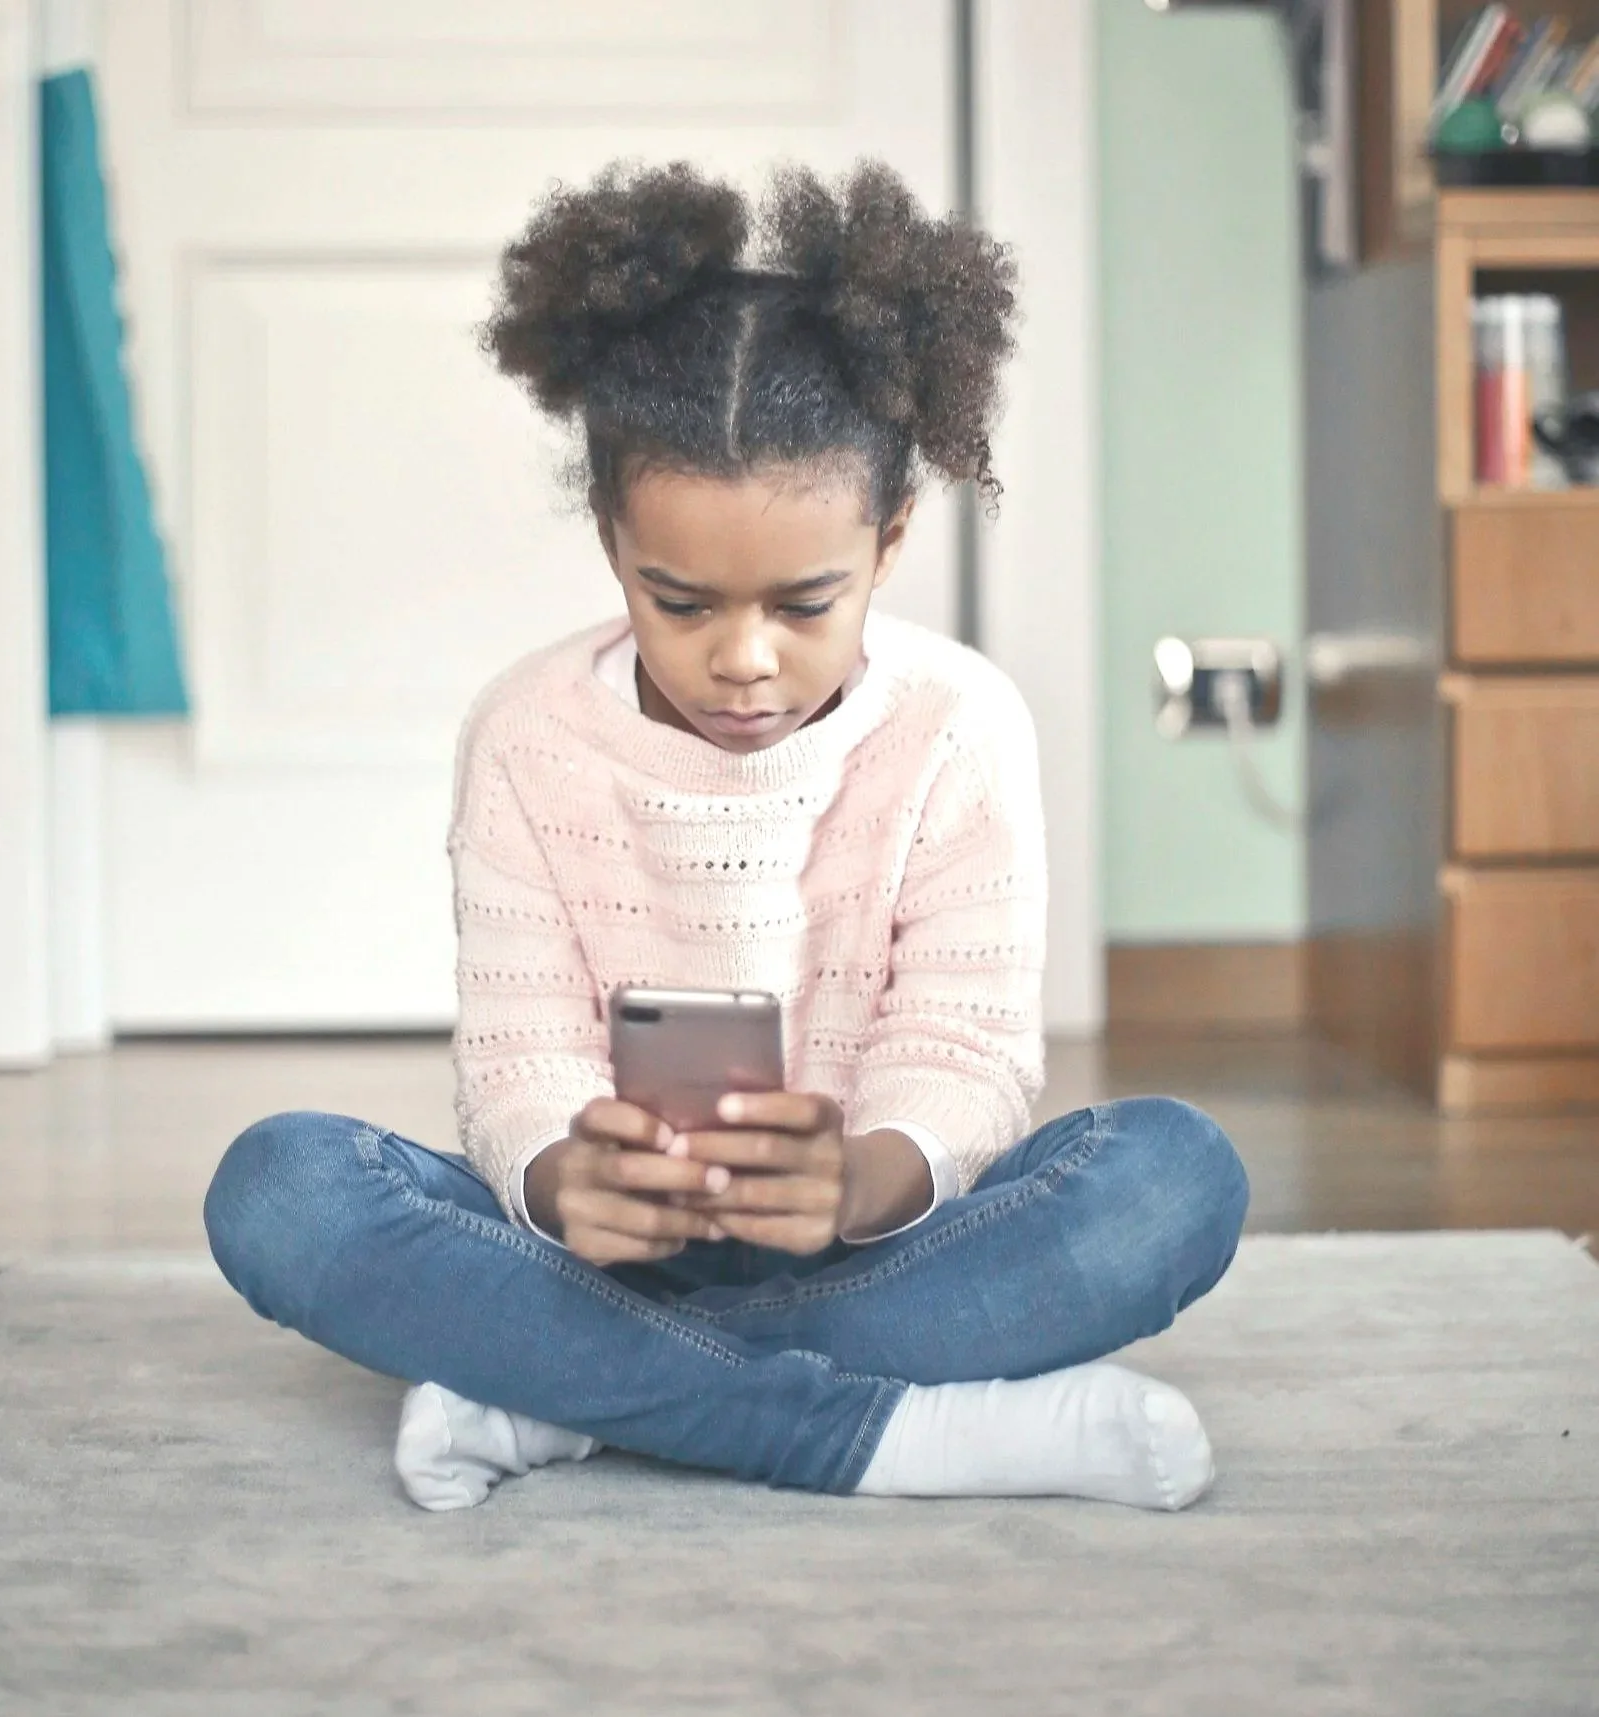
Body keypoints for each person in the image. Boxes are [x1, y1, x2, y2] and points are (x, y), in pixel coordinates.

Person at [203, 161, 1249, 1513]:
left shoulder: (960, 727)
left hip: (877, 1246)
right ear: (610, 543)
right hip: (598, 1255)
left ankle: (566, 1399)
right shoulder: (527, 733)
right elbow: (519, 1057)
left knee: (1174, 1182)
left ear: (889, 538)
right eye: (678, 601)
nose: (742, 661)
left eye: (806, 603)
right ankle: (887, 1432)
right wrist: (563, 1175)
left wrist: (859, 1185)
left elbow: (969, 1057)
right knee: (280, 1190)